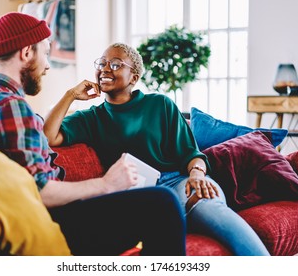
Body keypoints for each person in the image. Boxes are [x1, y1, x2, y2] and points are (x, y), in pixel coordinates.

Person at [0, 12, 186, 256]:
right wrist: (106, 184)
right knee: (162, 204)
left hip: (39, 214)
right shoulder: (12, 106)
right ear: (27, 52)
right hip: (53, 221)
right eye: (46, 53)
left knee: (159, 201)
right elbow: (40, 191)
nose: (47, 65)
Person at [44, 42, 271, 256]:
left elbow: (192, 154)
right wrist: (71, 95)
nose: (105, 69)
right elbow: (48, 135)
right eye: (102, 63)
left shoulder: (160, 104)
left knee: (209, 208)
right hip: (142, 196)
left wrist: (197, 175)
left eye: (115, 64)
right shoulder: (92, 117)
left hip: (181, 183)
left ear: (134, 76)